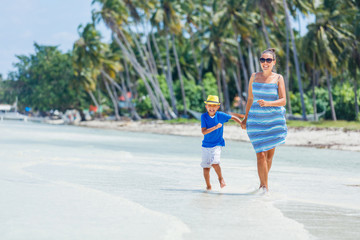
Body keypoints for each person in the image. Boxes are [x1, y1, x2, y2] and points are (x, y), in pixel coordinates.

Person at [241, 48, 287, 192]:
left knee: (268, 157)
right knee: (260, 154)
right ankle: (264, 188)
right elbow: (250, 98)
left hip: (273, 122)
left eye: (268, 60)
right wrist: (245, 118)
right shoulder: (254, 77)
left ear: (274, 62)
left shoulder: (278, 78)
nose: (265, 63)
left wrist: (268, 103)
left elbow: (283, 100)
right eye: (262, 60)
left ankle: (263, 184)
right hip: (255, 120)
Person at [201, 95, 243, 190]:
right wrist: (215, 127)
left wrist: (241, 124)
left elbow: (233, 117)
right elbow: (203, 131)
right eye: (209, 105)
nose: (212, 108)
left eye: (214, 106)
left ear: (217, 107)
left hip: (217, 144)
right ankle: (208, 187)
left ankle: (220, 178)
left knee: (215, 163)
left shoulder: (220, 115)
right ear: (206, 106)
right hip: (205, 145)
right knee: (206, 168)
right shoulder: (203, 116)